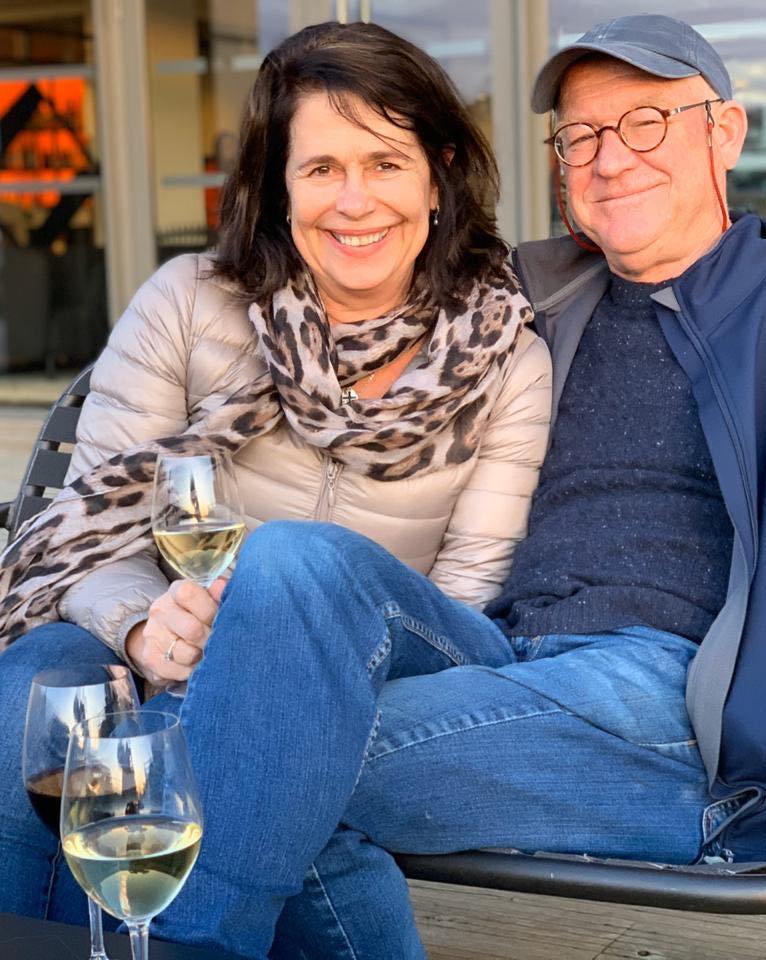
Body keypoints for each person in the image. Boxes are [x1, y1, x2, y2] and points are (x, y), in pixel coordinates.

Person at [0, 19, 549, 936]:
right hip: (169, 638)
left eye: (384, 163)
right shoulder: (188, 302)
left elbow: (465, 594)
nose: (354, 201)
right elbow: (80, 529)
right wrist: (141, 629)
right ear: (278, 187)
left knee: (286, 570)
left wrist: (262, 680)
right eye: (321, 168)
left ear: (439, 174)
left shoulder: (506, 359)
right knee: (44, 693)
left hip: (383, 664)